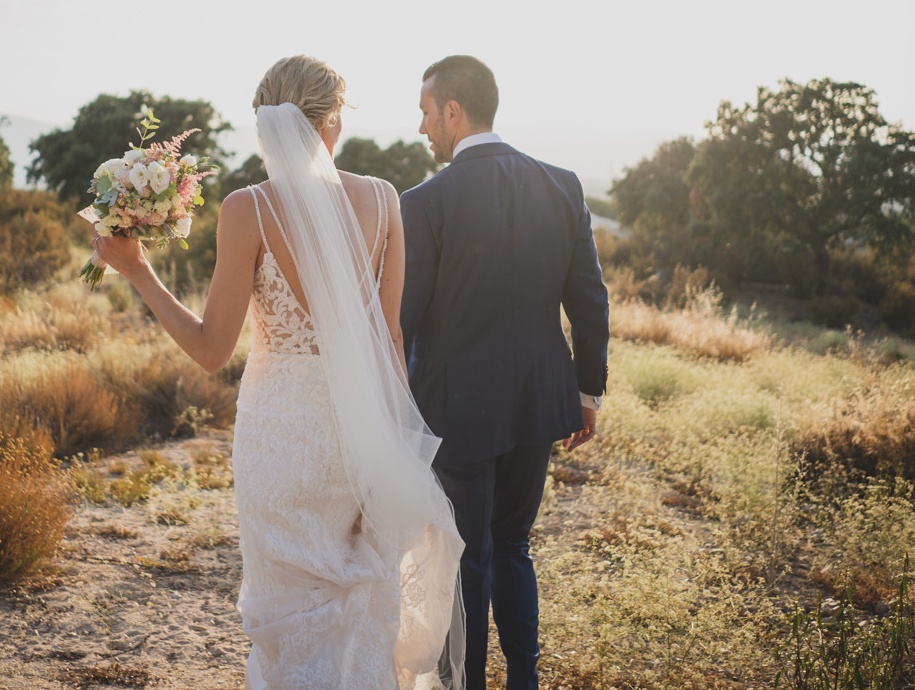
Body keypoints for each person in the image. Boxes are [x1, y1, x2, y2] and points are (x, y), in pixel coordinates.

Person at [92, 55, 465, 690]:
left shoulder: (249, 208)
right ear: (330, 121)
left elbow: (212, 349)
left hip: (280, 437)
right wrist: (394, 440)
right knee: (358, 594)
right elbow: (391, 338)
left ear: (270, 125)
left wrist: (138, 271)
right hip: (359, 433)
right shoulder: (384, 198)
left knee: (287, 602)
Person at [399, 55, 610, 690]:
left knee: (465, 552)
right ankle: (524, 680)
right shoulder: (561, 185)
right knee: (513, 543)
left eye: (426, 114)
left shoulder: (424, 202)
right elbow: (590, 300)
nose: (422, 128)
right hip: (538, 400)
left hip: (456, 408)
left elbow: (406, 318)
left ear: (453, 112)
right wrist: (587, 392)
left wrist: (395, 405)